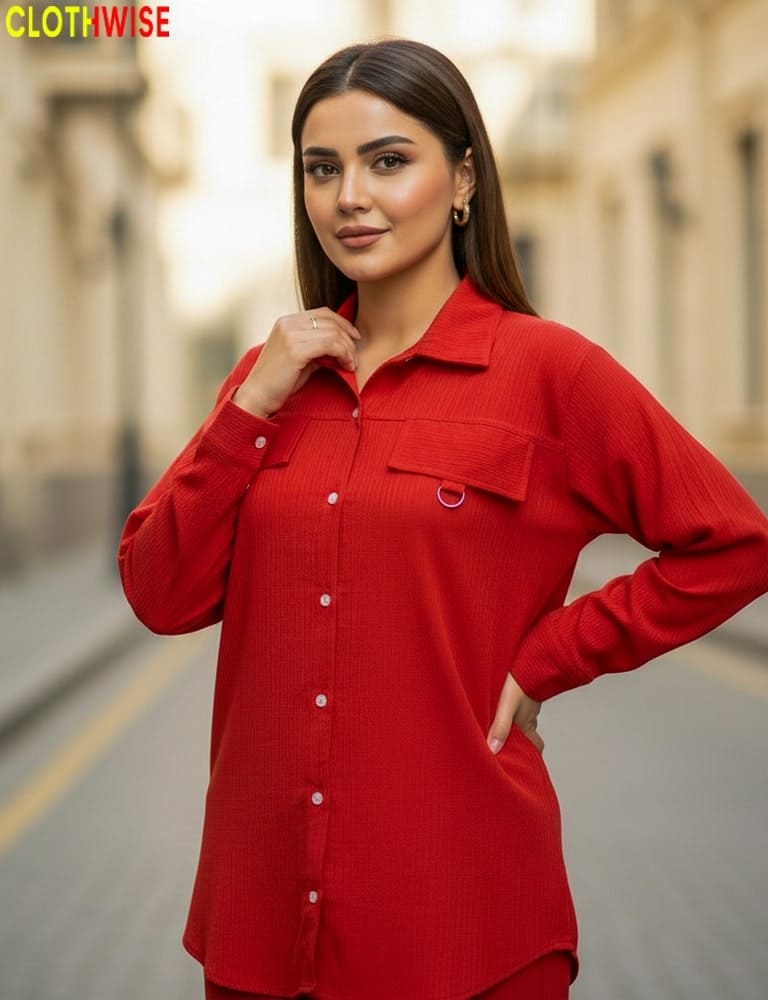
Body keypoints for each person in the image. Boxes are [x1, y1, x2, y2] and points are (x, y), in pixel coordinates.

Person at [117, 37, 768, 1000]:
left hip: (466, 928)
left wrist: (549, 656)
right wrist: (249, 406)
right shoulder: (267, 383)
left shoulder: (549, 372)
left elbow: (732, 544)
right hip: (262, 934)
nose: (350, 196)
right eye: (321, 168)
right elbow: (161, 593)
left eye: (389, 161)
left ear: (463, 177)